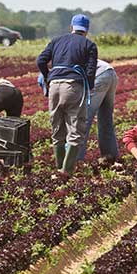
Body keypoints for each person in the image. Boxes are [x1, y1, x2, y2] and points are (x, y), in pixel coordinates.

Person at [36, 14, 98, 175]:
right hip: (73, 87)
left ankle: (58, 169)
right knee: (75, 129)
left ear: (72, 27)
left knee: (57, 129)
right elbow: (90, 71)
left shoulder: (56, 41)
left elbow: (40, 61)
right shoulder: (89, 45)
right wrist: (89, 87)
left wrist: (48, 77)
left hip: (55, 87)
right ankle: (67, 171)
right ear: (86, 30)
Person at [77, 59, 119, 162]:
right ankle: (110, 157)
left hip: (99, 76)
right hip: (109, 72)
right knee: (106, 118)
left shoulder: (60, 69)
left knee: (84, 119)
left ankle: (75, 161)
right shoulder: (65, 56)